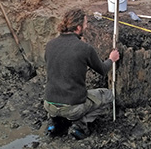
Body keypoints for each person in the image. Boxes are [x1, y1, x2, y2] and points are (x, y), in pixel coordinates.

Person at [43, 9, 120, 140]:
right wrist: (111, 59)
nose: (86, 26)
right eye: (85, 23)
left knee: (61, 102)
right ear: (78, 28)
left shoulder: (50, 45)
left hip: (49, 104)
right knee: (108, 95)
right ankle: (79, 126)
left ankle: (56, 123)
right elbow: (102, 70)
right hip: (73, 107)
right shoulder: (84, 48)